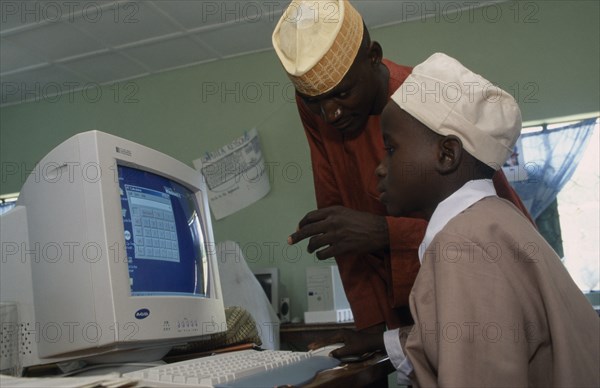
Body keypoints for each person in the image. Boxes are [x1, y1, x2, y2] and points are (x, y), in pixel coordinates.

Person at [335, 52, 600, 386]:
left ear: (447, 154)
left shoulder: (464, 245)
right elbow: (466, 335)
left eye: (391, 149)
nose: (380, 166)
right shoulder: (493, 220)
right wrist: (383, 342)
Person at [272, 0, 533, 332]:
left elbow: (490, 232)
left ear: (374, 57)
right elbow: (340, 226)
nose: (331, 115)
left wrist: (384, 232)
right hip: (408, 312)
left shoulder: (429, 101)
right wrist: (375, 331)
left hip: (477, 300)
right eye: (314, 102)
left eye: (344, 93)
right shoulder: (319, 108)